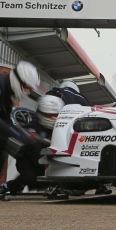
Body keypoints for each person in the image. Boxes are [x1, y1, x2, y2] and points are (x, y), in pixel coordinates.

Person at [0, 95, 64, 197]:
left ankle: (57, 183)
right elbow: (28, 140)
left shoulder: (62, 127)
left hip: (53, 161)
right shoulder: (32, 122)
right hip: (29, 160)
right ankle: (9, 186)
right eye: (50, 115)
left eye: (56, 115)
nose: (53, 118)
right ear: (41, 112)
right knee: (30, 177)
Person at [0, 60, 40, 197]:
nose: (28, 91)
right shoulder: (1, 86)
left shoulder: (7, 92)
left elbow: (6, 122)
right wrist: (22, 138)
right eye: (27, 87)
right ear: (19, 80)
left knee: (4, 147)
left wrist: (24, 138)